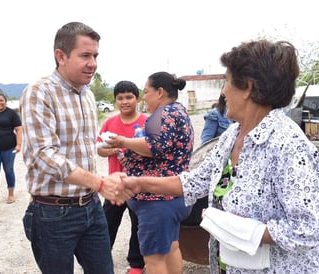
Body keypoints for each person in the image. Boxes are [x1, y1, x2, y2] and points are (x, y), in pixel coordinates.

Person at [116, 40, 319, 273]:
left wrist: (233, 228)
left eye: (227, 82)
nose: (223, 91)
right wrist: (138, 183)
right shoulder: (233, 135)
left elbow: (308, 229)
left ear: (248, 87)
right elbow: (195, 181)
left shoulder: (288, 146)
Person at [20, 22, 122, 274]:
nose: (93, 63)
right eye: (85, 55)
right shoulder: (39, 92)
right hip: (53, 213)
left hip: (91, 206)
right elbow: (44, 155)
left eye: (95, 56)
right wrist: (100, 182)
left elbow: (84, 148)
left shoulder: (87, 94)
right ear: (61, 56)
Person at [107, 72, 194, 274]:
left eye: (146, 92)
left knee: (154, 259)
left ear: (160, 92)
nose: (144, 97)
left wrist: (123, 142)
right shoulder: (178, 111)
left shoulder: (162, 115)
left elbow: (153, 146)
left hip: (157, 200)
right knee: (171, 248)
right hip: (174, 196)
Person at [97, 80, 147, 274]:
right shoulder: (110, 123)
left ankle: (136, 264)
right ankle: (99, 259)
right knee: (106, 222)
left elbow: (153, 150)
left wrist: (131, 148)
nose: (125, 101)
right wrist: (115, 150)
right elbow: (100, 151)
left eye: (129, 97)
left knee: (138, 225)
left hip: (139, 185)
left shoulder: (146, 122)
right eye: (120, 98)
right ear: (115, 100)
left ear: (137, 98)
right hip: (115, 185)